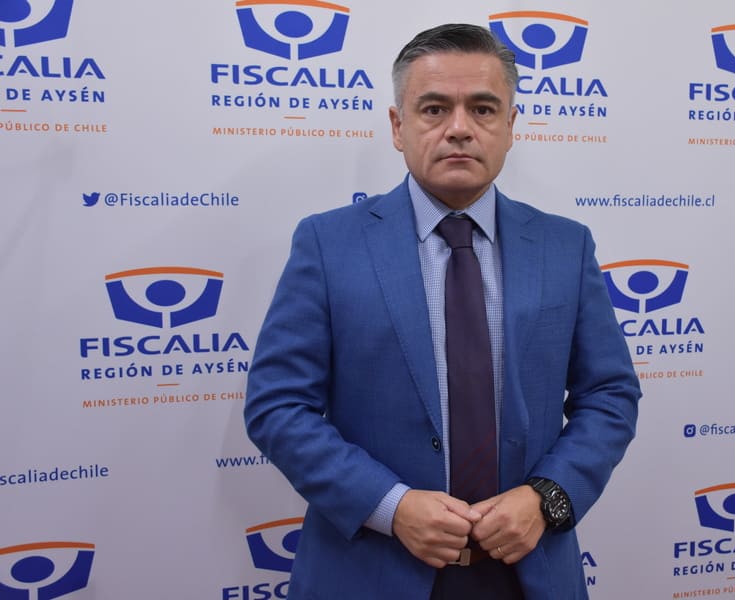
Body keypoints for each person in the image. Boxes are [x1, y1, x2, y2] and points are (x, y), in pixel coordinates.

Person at [245, 23, 641, 600]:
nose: (459, 128)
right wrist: (391, 506)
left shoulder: (565, 245)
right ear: (397, 126)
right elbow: (278, 405)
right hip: (372, 568)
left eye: (482, 109)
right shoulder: (328, 244)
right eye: (434, 109)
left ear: (510, 125)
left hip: (528, 570)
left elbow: (609, 394)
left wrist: (547, 497)